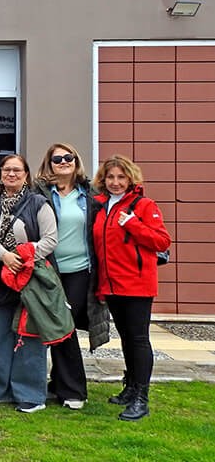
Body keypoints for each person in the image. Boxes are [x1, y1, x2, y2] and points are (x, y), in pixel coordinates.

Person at [91, 154, 171, 421]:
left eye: (121, 177)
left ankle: (142, 398)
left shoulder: (143, 205)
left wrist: (132, 223)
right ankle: (131, 386)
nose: (115, 182)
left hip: (137, 285)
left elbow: (161, 241)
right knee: (126, 339)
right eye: (111, 177)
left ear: (130, 178)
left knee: (138, 340)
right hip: (112, 286)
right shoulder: (101, 206)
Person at [0, 154, 58, 413]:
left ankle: (31, 394)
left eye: (17, 170)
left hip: (30, 277)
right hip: (1, 278)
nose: (11, 174)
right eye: (7, 170)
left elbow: (50, 239)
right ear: (0, 175)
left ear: (26, 174)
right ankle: (1, 388)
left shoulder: (38, 203)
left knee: (29, 335)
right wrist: (5, 256)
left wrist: (24, 258)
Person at [35, 143, 111, 410]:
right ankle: (60, 384)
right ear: (50, 163)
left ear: (76, 161)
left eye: (69, 157)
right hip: (49, 271)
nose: (64, 162)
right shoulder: (40, 193)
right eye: (58, 159)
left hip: (80, 270)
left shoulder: (91, 194)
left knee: (64, 326)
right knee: (56, 326)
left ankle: (74, 390)